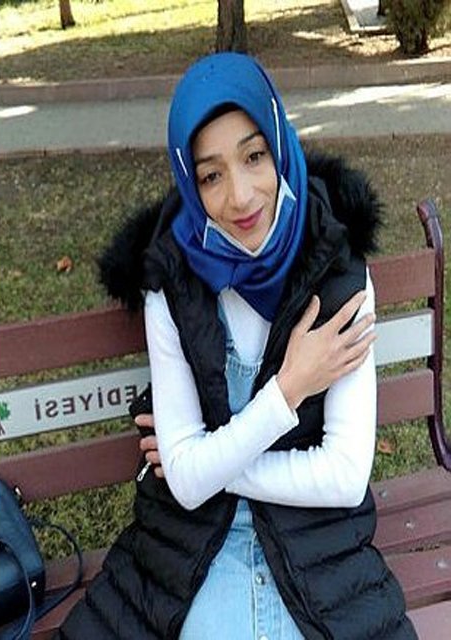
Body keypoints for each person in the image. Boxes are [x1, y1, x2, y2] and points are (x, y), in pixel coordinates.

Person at [58, 53, 414, 638]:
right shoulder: (170, 283)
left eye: (254, 156)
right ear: (189, 180)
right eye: (211, 174)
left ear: (279, 143)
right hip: (192, 548)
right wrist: (291, 387)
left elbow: (345, 476)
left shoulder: (341, 275)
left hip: (314, 545)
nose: (242, 196)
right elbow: (189, 485)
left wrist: (201, 463)